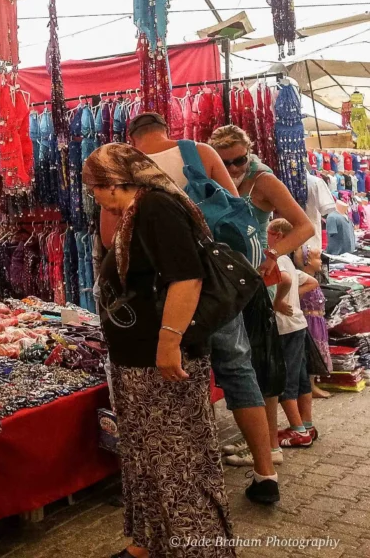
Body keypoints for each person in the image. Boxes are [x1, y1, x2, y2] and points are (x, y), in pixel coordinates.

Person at [115, 113, 279, 499]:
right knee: (237, 368)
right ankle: (265, 472)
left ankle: (187, 475)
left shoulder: (127, 165)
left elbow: (114, 233)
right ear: (165, 130)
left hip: (159, 286)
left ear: (132, 137)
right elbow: (238, 212)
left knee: (175, 374)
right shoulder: (200, 152)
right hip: (213, 281)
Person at [83, 144, 235, 558]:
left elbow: (187, 278)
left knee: (178, 461)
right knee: (148, 459)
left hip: (161, 361)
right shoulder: (136, 213)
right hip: (138, 361)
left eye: (94, 187)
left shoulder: (156, 210)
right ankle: (151, 544)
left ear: (114, 182)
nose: (93, 196)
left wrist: (168, 344)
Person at [208, 125, 315, 268]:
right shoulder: (209, 178)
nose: (233, 168)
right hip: (219, 267)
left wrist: (273, 254)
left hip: (256, 269)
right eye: (225, 163)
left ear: (248, 152)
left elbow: (306, 227)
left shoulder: (263, 181)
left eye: (239, 160)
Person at [265, 218, 320, 451]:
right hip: (297, 324)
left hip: (283, 327)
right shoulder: (287, 259)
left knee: (285, 378)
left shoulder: (275, 259)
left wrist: (278, 301)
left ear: (276, 235)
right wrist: (291, 298)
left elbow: (285, 280)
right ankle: (306, 424)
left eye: (266, 231)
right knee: (299, 375)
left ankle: (298, 430)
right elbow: (312, 281)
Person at [272, 220, 332, 399]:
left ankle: (299, 423)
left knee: (294, 372)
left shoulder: (280, 260)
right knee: (297, 371)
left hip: (292, 323)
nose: (321, 261)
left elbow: (287, 280)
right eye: (318, 258)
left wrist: (278, 301)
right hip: (300, 322)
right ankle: (302, 423)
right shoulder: (285, 262)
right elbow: (289, 281)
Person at [305, 171, 336, 251]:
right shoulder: (315, 182)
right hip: (310, 241)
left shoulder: (315, 182)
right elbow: (326, 210)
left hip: (285, 241)